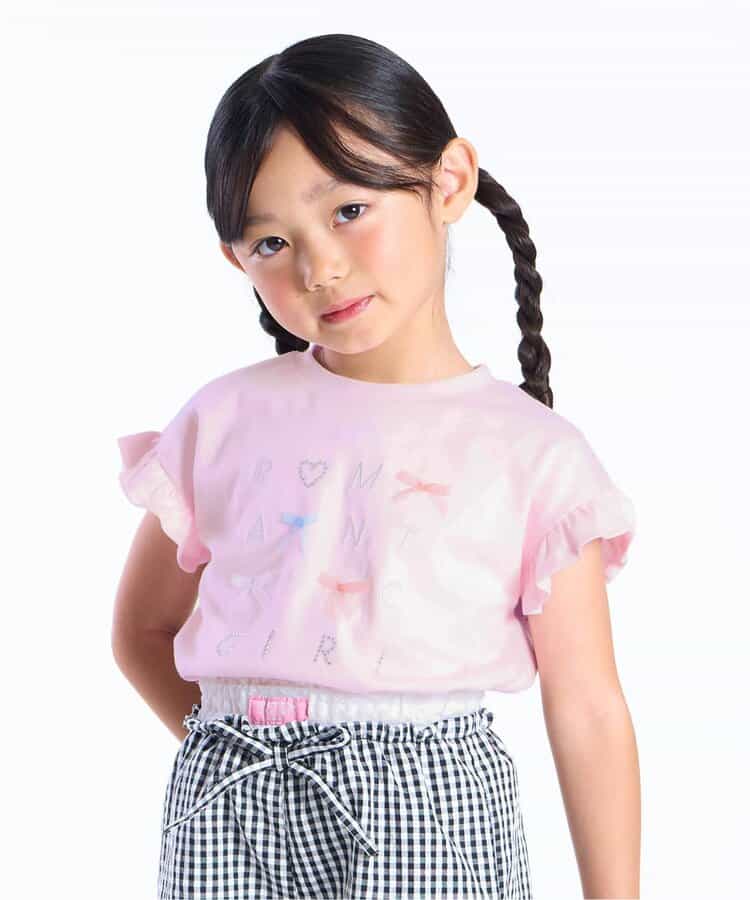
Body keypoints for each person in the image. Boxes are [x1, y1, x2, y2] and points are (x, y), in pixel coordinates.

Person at [112, 32, 640, 900]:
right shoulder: (224, 420)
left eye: (349, 210)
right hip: (233, 812)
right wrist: (242, 759)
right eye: (270, 243)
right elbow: (142, 631)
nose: (319, 267)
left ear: (448, 183)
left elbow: (587, 706)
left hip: (431, 813)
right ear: (236, 260)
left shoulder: (536, 455)